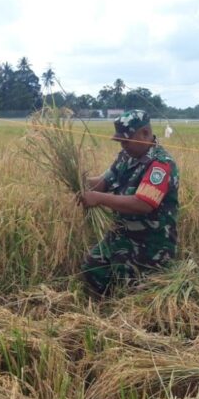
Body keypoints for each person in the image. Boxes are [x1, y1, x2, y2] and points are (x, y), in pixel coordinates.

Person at [77, 109, 180, 296]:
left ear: (145, 134)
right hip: (120, 235)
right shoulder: (126, 157)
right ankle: (103, 311)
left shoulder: (161, 165)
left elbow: (143, 203)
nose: (123, 146)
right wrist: (79, 180)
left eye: (126, 140)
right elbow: (105, 181)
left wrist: (99, 198)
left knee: (136, 292)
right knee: (92, 269)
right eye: (121, 141)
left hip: (150, 243)